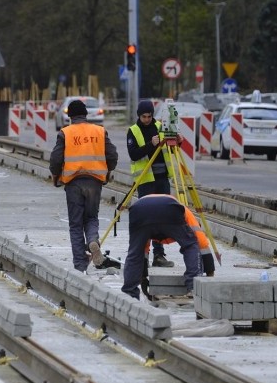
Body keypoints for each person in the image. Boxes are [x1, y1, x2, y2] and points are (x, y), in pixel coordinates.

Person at [49, 99, 118, 273]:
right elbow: (112, 155)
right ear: (86, 114)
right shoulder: (100, 131)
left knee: (75, 224)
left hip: (73, 182)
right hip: (94, 181)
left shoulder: (65, 133)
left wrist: (56, 175)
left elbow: (56, 159)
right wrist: (108, 171)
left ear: (70, 116)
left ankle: (80, 264)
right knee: (91, 218)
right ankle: (93, 240)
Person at [120, 194, 214, 300]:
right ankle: (193, 287)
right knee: (190, 245)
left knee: (135, 251)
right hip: (169, 210)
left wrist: (143, 275)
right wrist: (209, 270)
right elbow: (200, 243)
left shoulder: (148, 214)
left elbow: (142, 251)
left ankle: (129, 293)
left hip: (139, 211)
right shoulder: (185, 213)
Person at [127, 99, 181, 268]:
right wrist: (152, 144)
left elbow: (171, 150)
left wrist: (177, 140)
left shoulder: (160, 126)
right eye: (144, 116)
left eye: (150, 116)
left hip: (162, 179)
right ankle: (142, 256)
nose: (147, 119)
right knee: (147, 219)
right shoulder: (133, 131)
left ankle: (159, 255)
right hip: (146, 181)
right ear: (139, 115)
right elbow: (134, 154)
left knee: (162, 218)